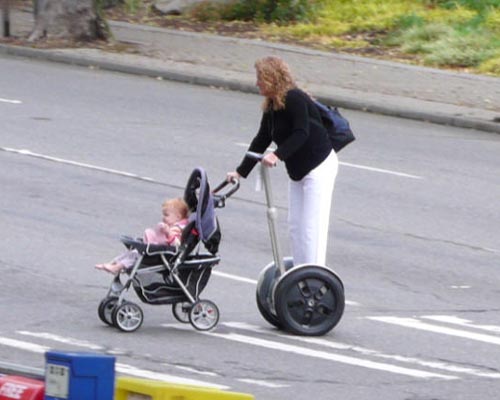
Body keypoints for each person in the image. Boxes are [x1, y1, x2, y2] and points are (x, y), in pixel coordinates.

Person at [227, 56, 338, 266]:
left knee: (312, 226)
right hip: (298, 170)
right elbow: (262, 139)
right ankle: (300, 271)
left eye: (260, 78)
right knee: (296, 226)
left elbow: (301, 132)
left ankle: (314, 274)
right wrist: (240, 172)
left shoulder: (294, 98)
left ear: (272, 78)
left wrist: (277, 155)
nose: (256, 82)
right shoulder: (271, 106)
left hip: (319, 167)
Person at [95, 197, 190, 275]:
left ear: (177, 216)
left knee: (136, 254)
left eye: (166, 215)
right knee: (132, 252)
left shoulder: (177, 229)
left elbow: (177, 245)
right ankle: (113, 263)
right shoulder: (174, 226)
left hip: (163, 255)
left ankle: (117, 267)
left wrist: (168, 233)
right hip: (161, 250)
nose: (163, 218)